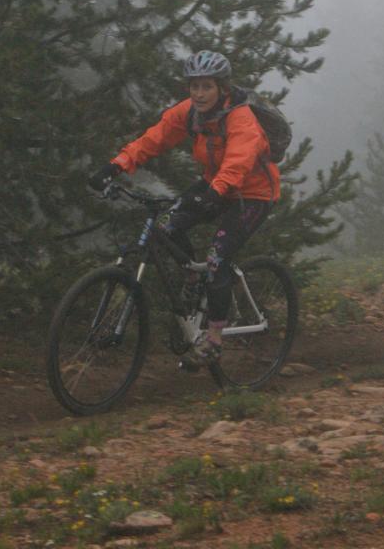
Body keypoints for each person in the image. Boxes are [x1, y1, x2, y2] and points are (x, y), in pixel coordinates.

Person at [87, 50, 281, 366]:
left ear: (222, 88)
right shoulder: (190, 113)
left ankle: (214, 340)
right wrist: (115, 166)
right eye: (194, 86)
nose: (199, 94)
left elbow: (238, 162)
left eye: (207, 86)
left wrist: (215, 193)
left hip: (253, 193)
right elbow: (153, 139)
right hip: (215, 183)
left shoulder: (242, 119)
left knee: (218, 258)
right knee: (165, 227)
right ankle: (192, 279)